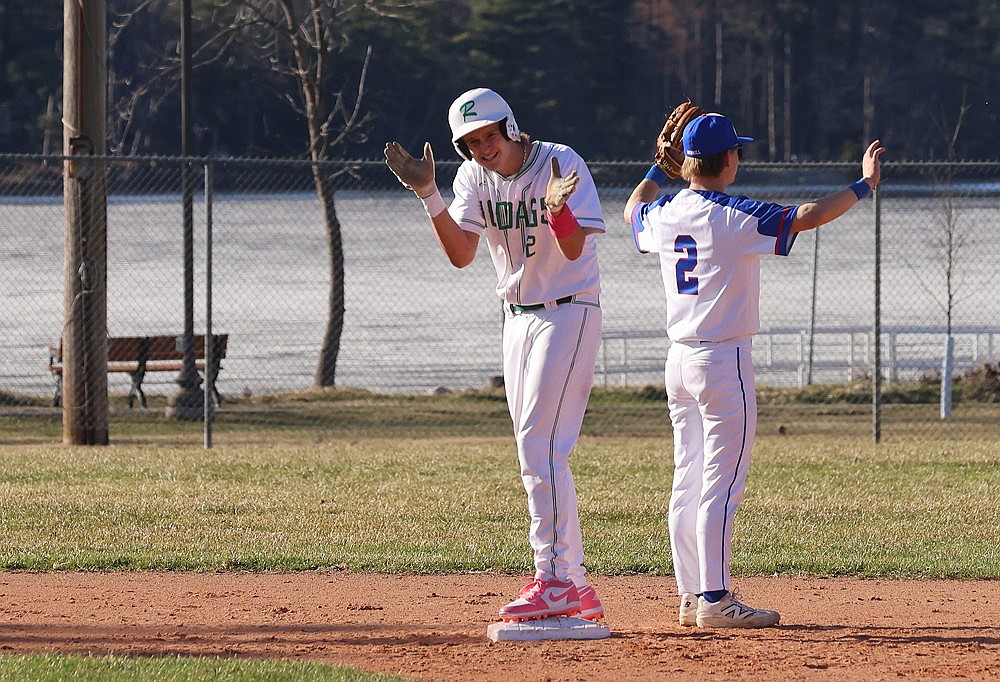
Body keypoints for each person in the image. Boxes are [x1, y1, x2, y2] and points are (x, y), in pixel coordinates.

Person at [624, 113, 885, 628]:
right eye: (737, 151)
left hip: (678, 359)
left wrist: (656, 170)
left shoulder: (665, 212)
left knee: (687, 478)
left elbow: (632, 210)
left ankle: (690, 594)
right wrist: (864, 184)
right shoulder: (732, 215)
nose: (740, 157)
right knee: (721, 482)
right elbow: (807, 215)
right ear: (728, 161)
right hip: (723, 362)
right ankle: (716, 600)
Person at [384, 88, 606, 623]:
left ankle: (552, 580)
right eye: (470, 142)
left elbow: (575, 249)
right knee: (537, 449)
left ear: (510, 126)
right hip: (516, 317)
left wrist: (558, 212)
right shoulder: (472, 178)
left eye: (488, 136)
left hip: (568, 309)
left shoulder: (560, 160)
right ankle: (574, 583)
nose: (482, 149)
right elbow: (462, 255)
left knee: (540, 445)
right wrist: (428, 194)